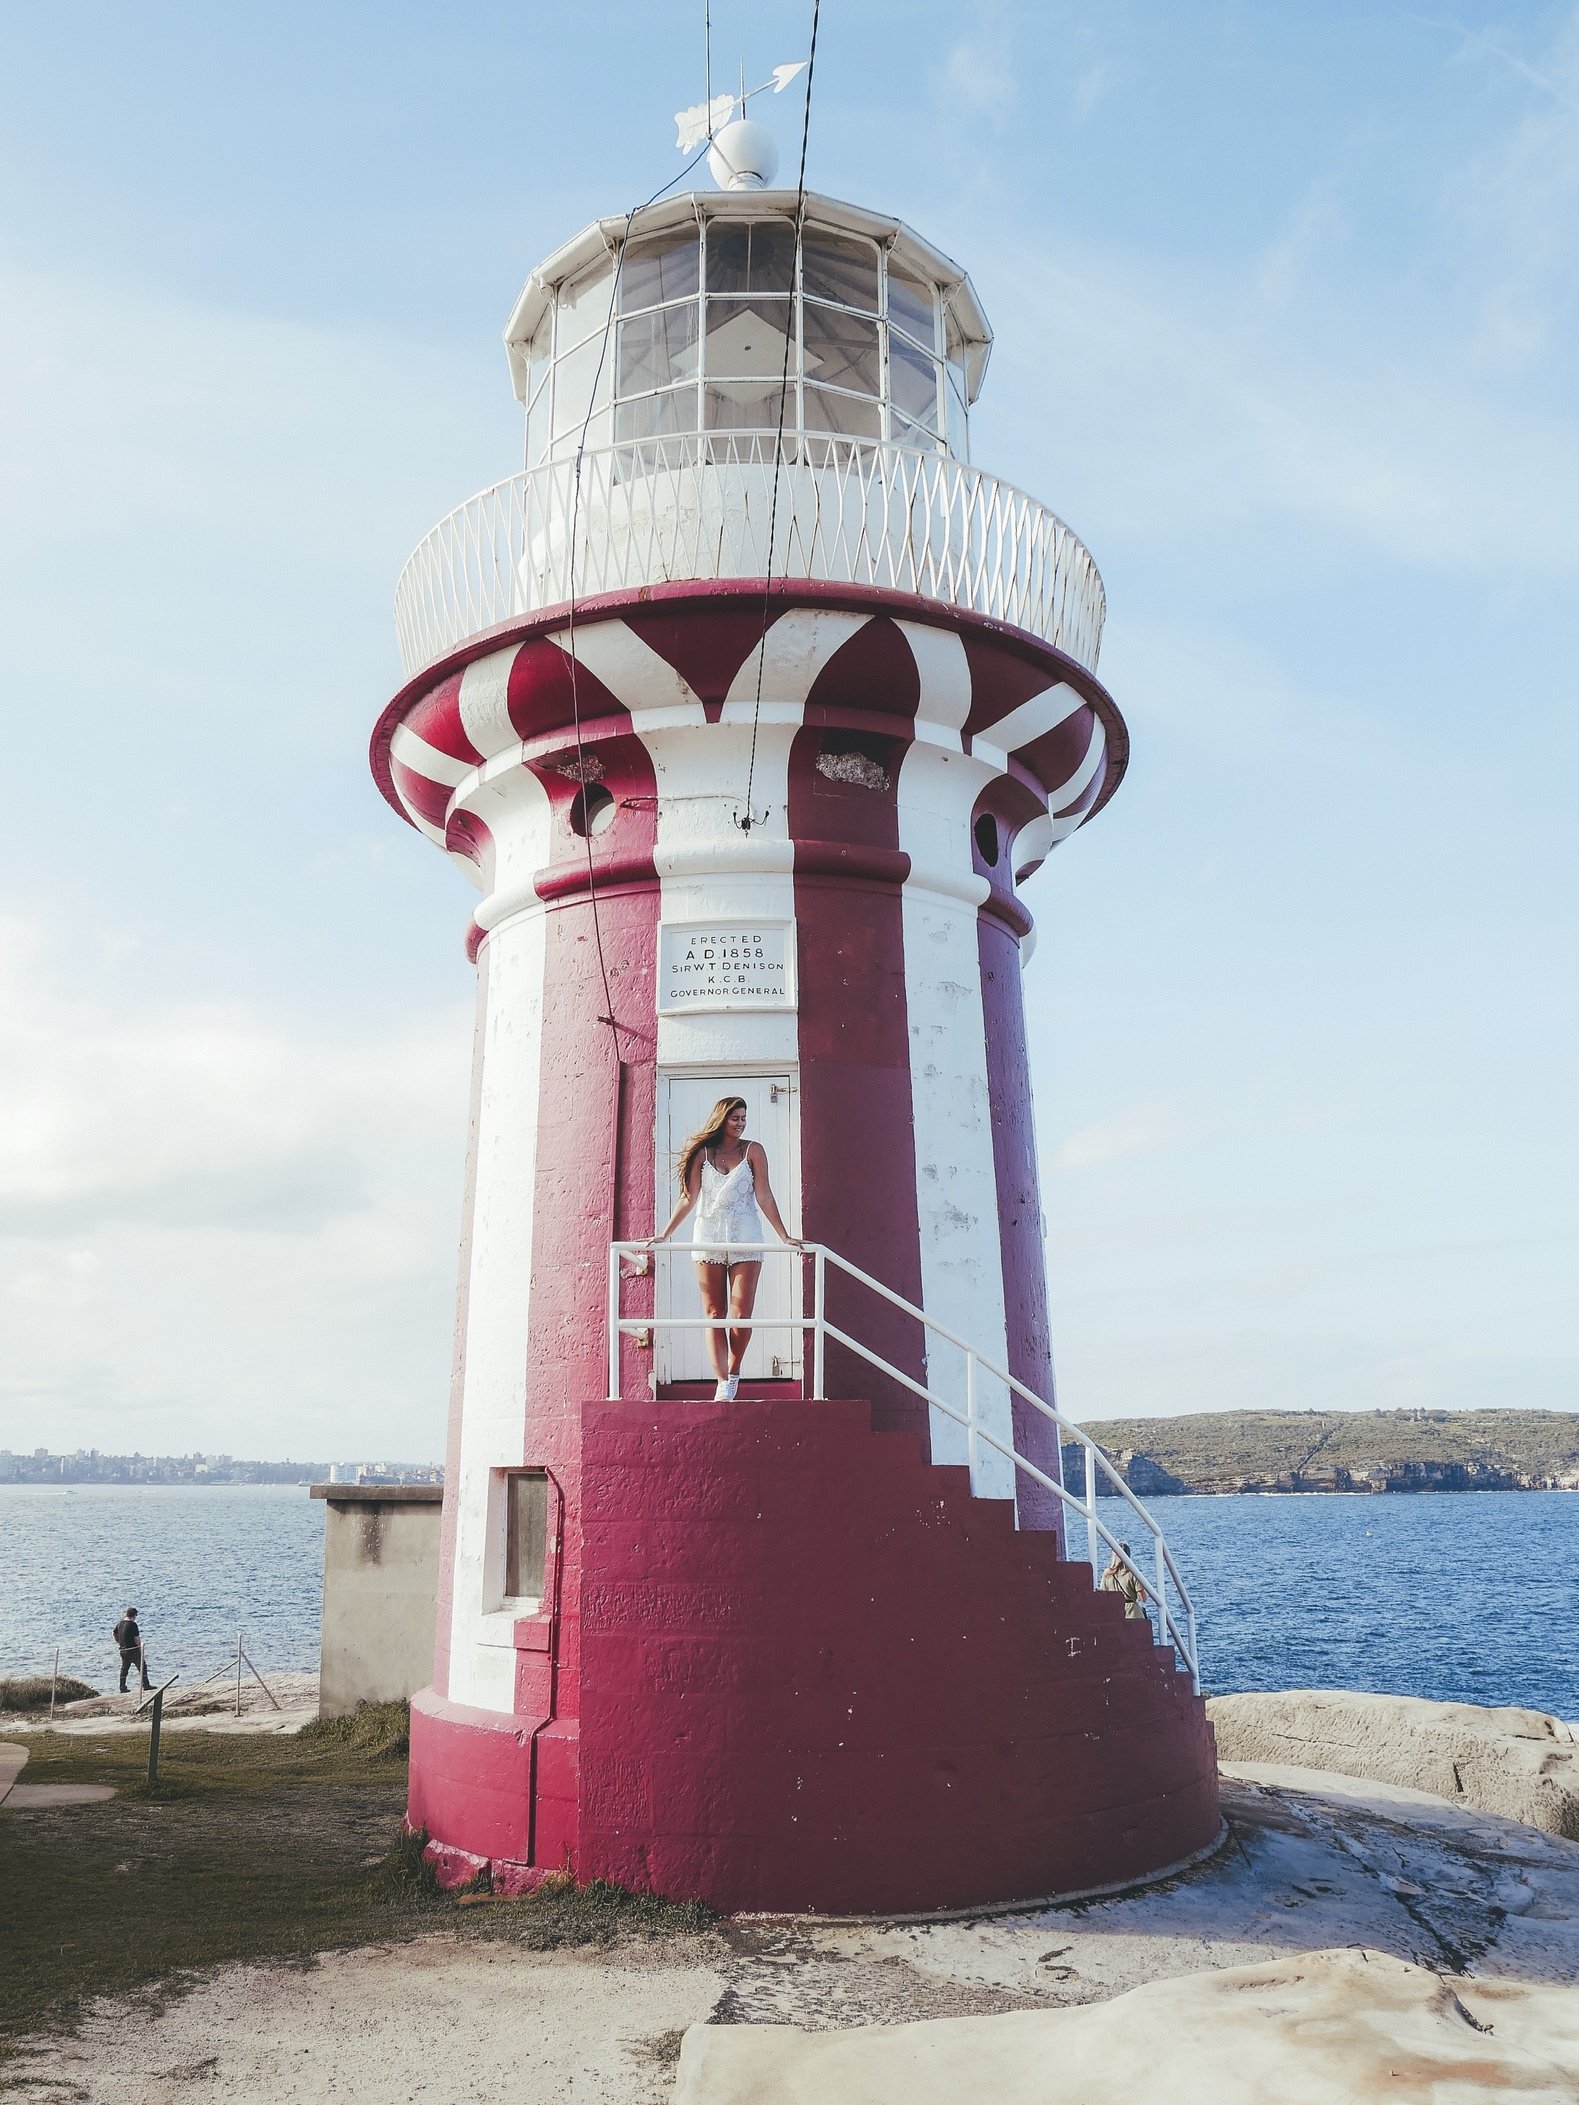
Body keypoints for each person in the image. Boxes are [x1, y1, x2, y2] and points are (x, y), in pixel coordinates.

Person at [653, 1096, 798, 1401]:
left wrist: (784, 1236)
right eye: (735, 1118)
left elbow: (765, 1196)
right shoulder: (703, 1154)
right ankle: (722, 1381)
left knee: (741, 1313)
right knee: (714, 1312)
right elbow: (688, 1198)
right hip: (708, 1236)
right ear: (722, 1119)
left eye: (744, 1118)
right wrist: (663, 1235)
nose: (740, 1123)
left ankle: (733, 1372)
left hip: (746, 1236)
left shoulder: (753, 1151)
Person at [1100, 1544, 1150, 1621]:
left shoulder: (1107, 1573)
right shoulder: (1133, 1573)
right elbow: (1143, 1598)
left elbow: (1103, 1594)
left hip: (1114, 1613)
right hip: (1133, 1614)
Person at [114, 1605, 151, 1692]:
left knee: (124, 1668)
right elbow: (136, 1638)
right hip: (132, 1649)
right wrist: (139, 1648)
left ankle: (122, 1687)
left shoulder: (120, 1623)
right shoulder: (133, 1624)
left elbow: (114, 1634)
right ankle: (145, 1685)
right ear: (134, 1615)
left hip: (123, 1650)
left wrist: (119, 1642)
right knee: (142, 1666)